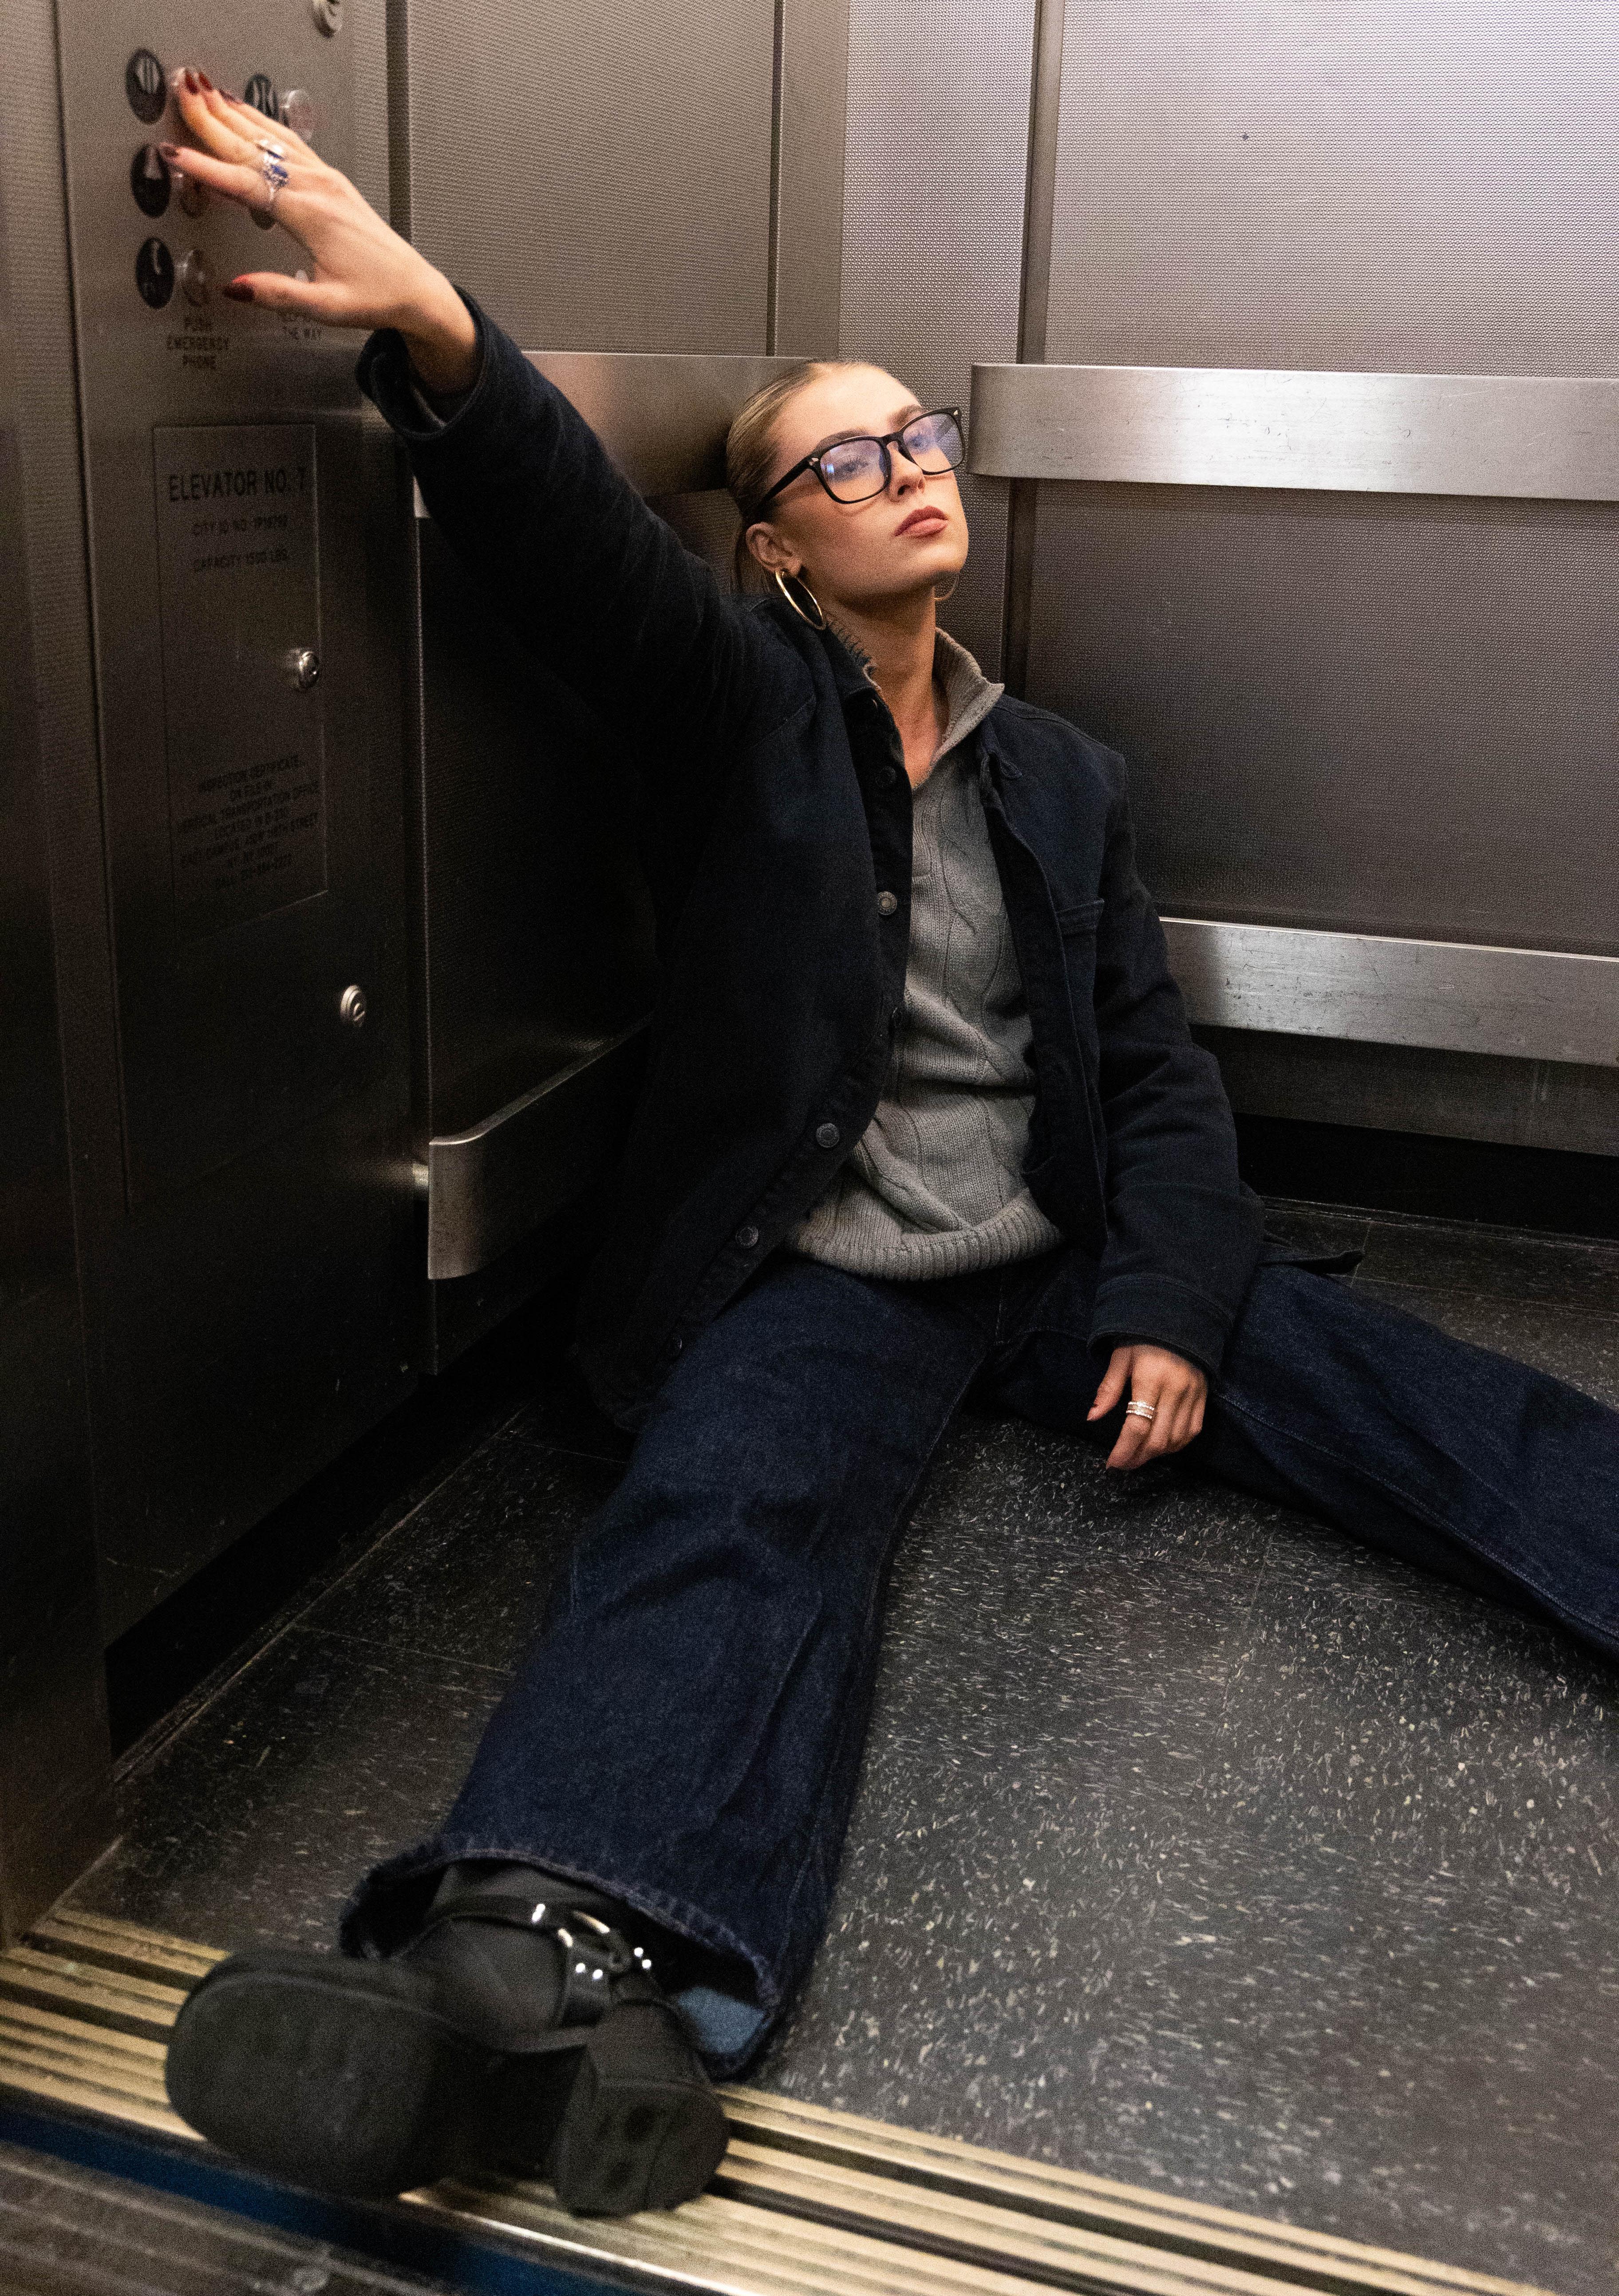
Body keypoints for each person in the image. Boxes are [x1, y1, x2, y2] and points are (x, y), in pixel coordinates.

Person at [157, 74, 1619, 2217]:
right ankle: (542, 1963)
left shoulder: (1067, 777)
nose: (907, 469)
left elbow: (1151, 1071)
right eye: (844, 459)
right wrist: (435, 325)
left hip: (1055, 1245)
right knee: (733, 1512)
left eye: (916, 436)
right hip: (828, 1257)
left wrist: (1168, 1302)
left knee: (1409, 1394)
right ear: (777, 544)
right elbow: (576, 548)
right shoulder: (739, 712)